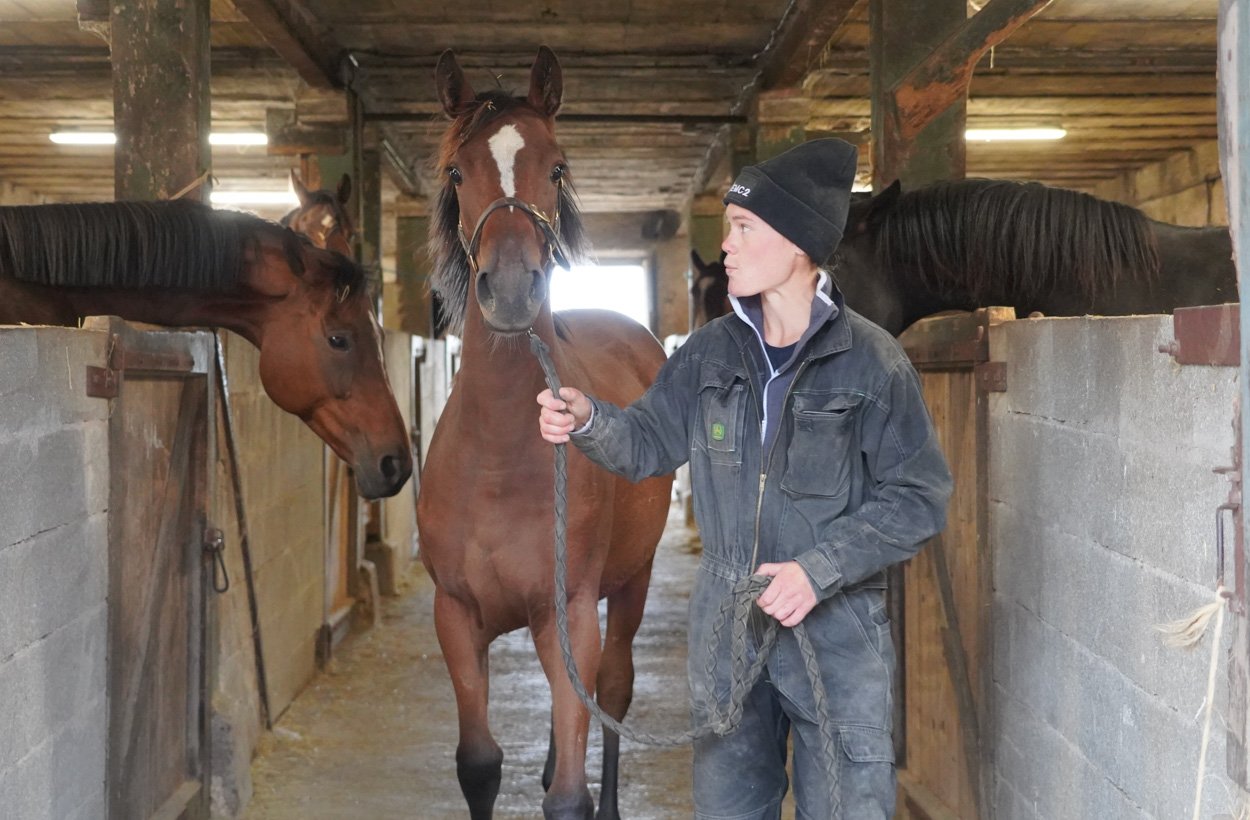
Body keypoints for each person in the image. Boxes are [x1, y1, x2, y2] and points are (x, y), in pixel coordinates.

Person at [536, 138, 953, 819]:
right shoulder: (709, 355)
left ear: (797, 245)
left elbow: (919, 496)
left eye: (743, 227)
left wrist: (818, 570)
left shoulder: (872, 363)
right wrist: (589, 419)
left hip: (837, 636)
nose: (725, 245)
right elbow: (646, 443)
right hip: (727, 632)